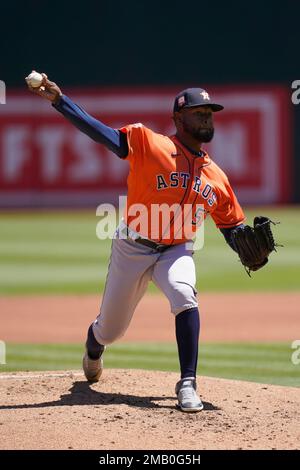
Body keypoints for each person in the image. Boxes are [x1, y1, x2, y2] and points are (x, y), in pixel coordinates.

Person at [26, 75, 246, 412]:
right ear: (178, 118)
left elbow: (234, 229)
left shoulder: (217, 176)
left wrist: (250, 253)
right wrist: (60, 101)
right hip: (133, 246)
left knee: (184, 294)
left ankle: (187, 382)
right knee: (110, 330)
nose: (206, 117)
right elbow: (101, 133)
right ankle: (94, 348)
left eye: (210, 112)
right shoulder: (149, 143)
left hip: (176, 249)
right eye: (199, 111)